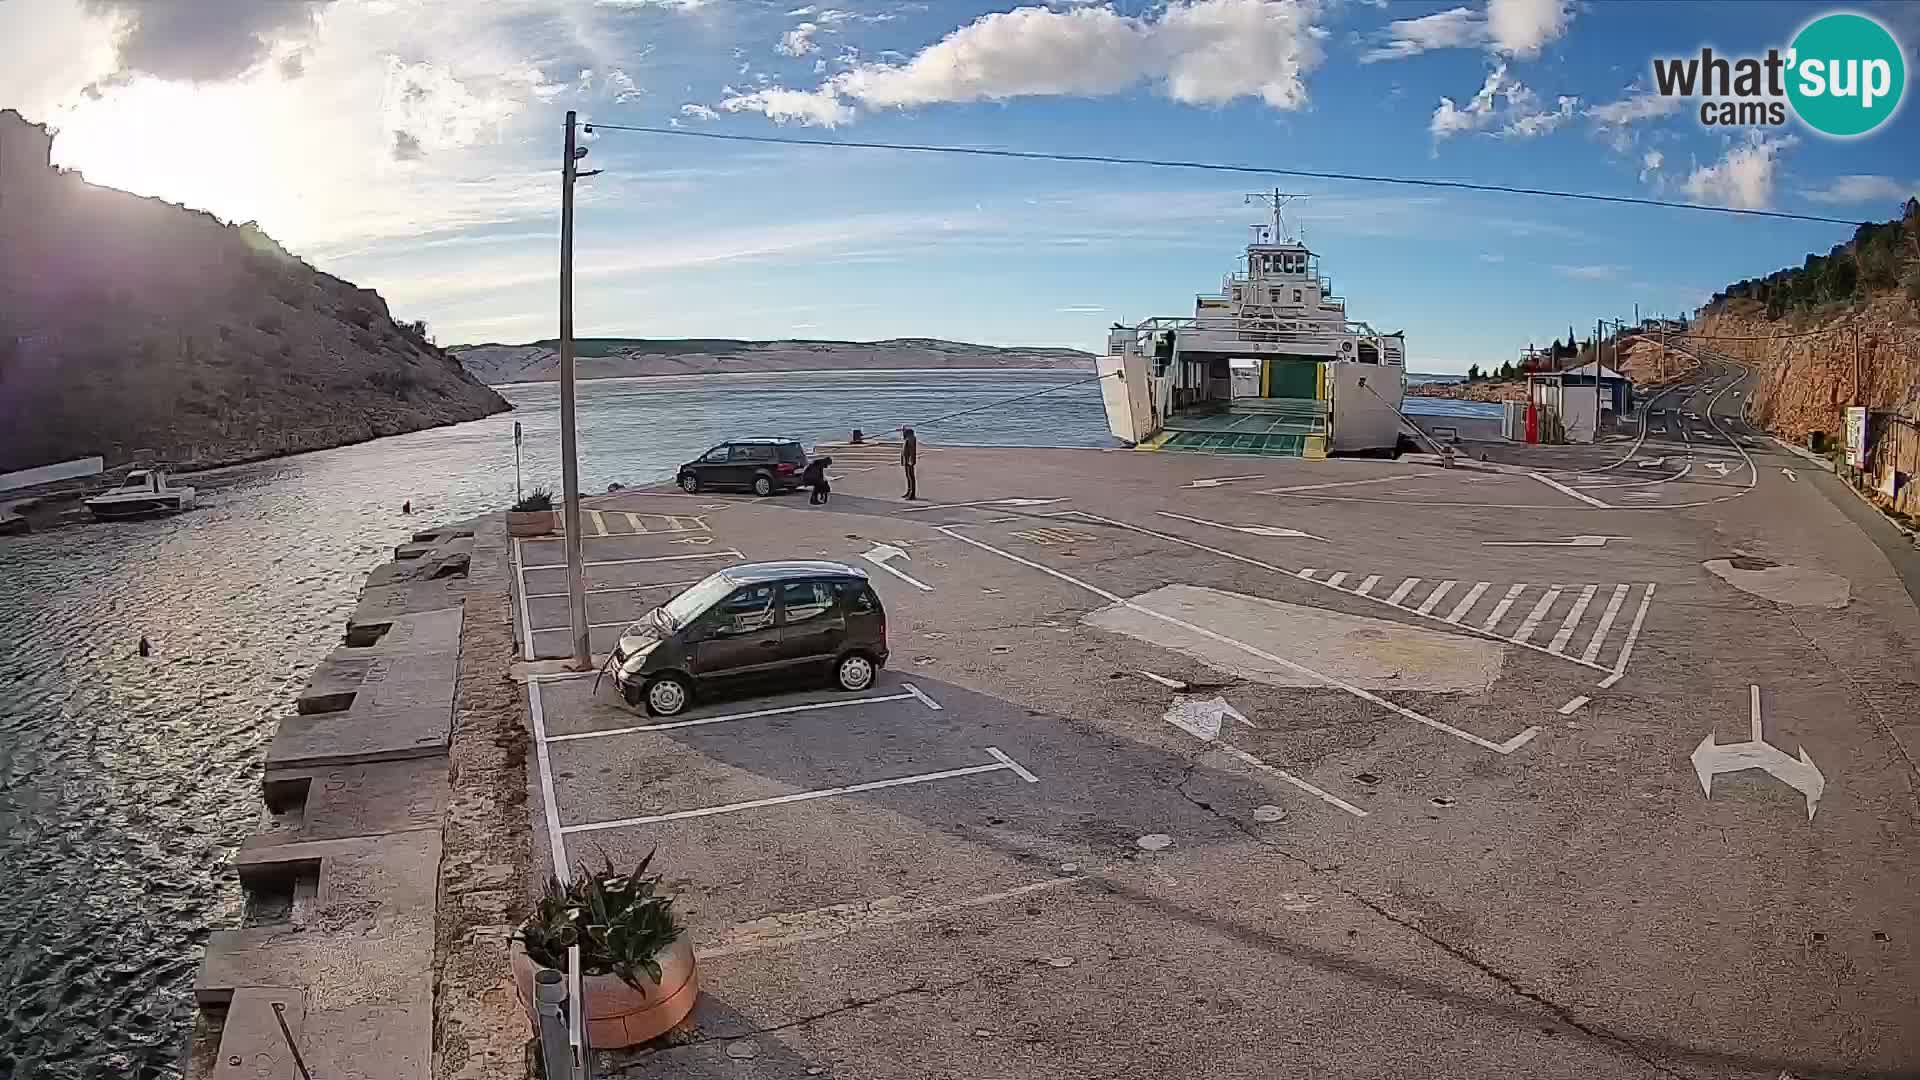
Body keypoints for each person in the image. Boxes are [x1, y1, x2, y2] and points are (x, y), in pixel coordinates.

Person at [900, 426, 918, 500]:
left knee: (911, 477)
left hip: (909, 461)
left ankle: (912, 494)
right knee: (908, 476)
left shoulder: (911, 439)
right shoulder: (907, 439)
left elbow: (912, 450)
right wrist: (902, 460)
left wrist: (911, 460)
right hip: (906, 460)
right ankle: (909, 491)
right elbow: (903, 451)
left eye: (904, 432)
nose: (903, 434)